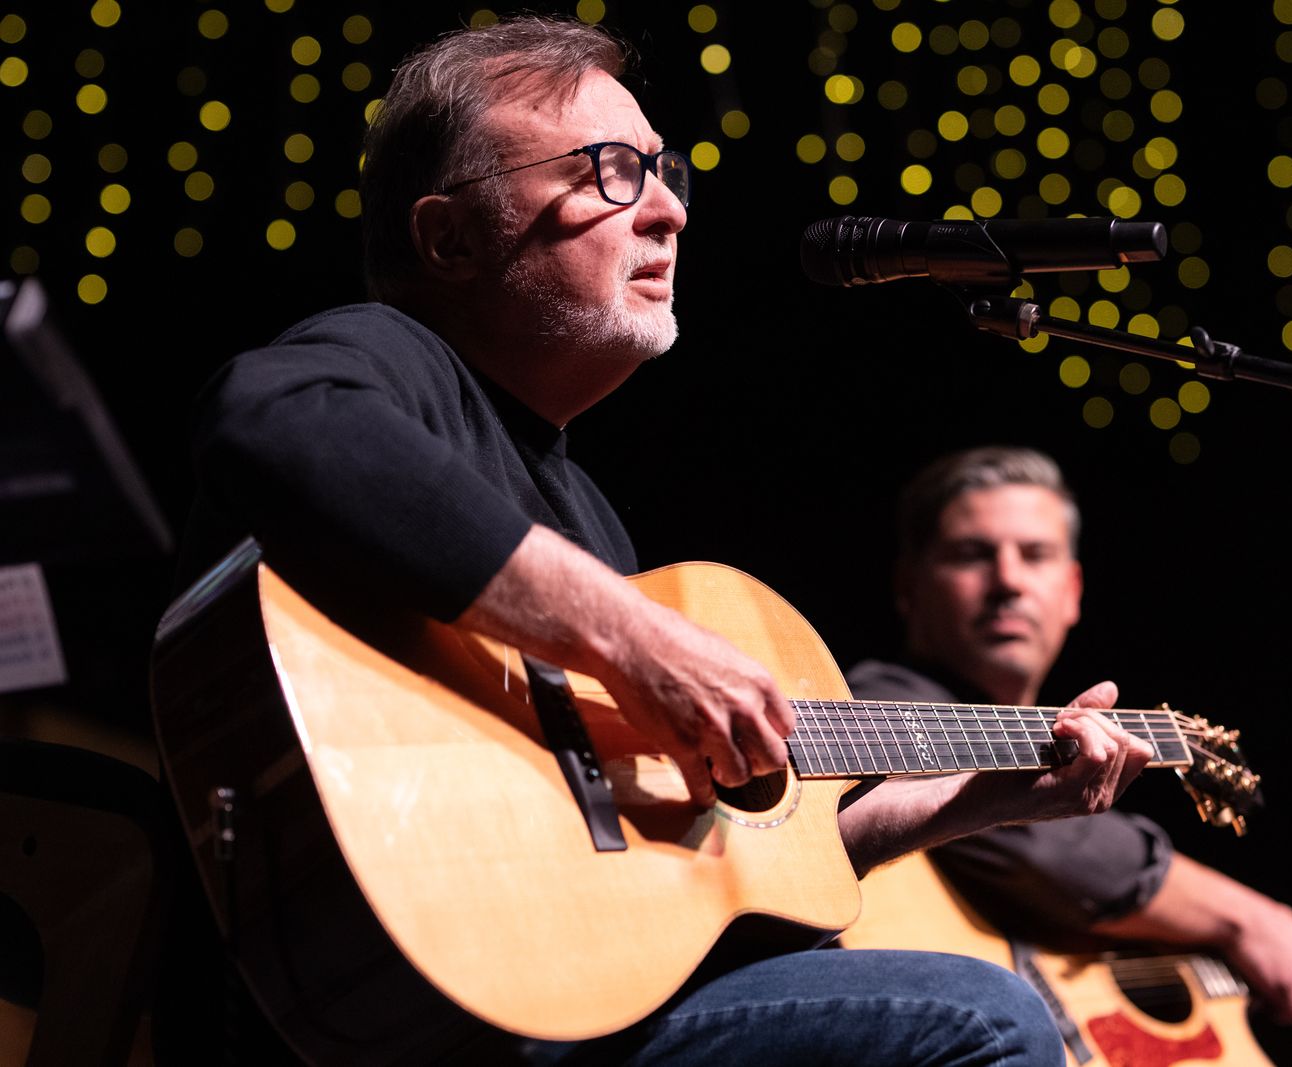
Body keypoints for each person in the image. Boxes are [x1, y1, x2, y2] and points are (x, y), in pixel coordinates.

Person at [171, 15, 1156, 1066]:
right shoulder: (394, 359)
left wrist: (970, 802)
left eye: (662, 170)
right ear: (449, 240)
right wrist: (638, 640)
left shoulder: (584, 508)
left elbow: (713, 882)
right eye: (606, 171)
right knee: (985, 1015)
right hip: (438, 1017)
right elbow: (271, 418)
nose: (670, 210)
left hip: (562, 998)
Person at [846, 445, 1292, 1024]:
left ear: (1073, 590)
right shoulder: (870, 703)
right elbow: (1047, 845)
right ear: (907, 585)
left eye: (1035, 555)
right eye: (972, 555)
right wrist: (1244, 917)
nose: (1008, 580)